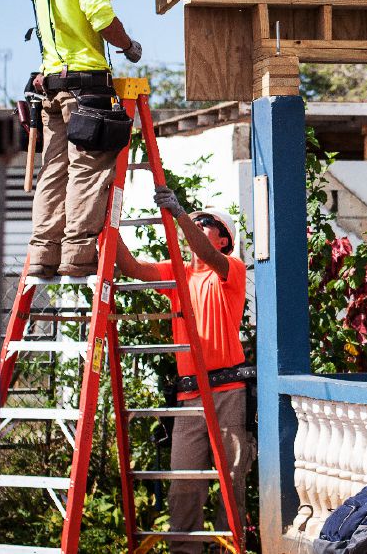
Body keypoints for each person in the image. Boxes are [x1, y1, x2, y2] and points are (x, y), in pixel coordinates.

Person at [26, 0, 164, 278]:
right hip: (87, 89)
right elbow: (102, 17)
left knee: (53, 171)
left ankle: (43, 255)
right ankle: (77, 257)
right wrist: (130, 46)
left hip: (53, 88)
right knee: (87, 171)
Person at [115, 188, 250, 553]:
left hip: (227, 393)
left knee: (230, 484)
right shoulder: (178, 276)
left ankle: (229, 550)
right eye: (198, 221)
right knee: (184, 487)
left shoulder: (229, 270)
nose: (201, 226)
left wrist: (179, 215)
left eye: (208, 223)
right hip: (190, 398)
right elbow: (131, 268)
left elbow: (205, 253)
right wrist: (106, 223)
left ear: (224, 239)